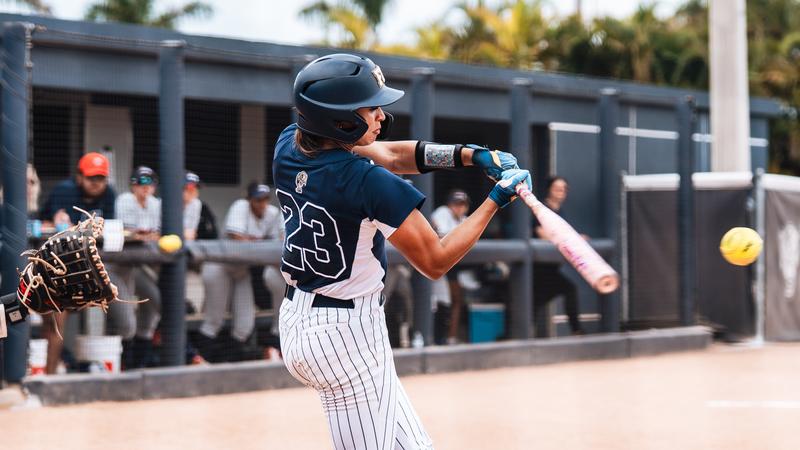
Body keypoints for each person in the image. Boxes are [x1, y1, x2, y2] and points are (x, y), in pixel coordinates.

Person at [275, 53, 529, 449]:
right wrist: (496, 199)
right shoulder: (368, 181)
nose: (381, 116)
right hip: (347, 336)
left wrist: (470, 155)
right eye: (370, 108)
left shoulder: (289, 144)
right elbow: (435, 261)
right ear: (340, 120)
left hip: (299, 318)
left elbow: (394, 155)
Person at [39, 153, 116, 374]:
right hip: (57, 265)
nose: (96, 183)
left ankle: (61, 368)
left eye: (100, 178)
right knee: (54, 323)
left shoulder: (109, 194)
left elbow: (111, 229)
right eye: (91, 177)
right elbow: (53, 224)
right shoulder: (65, 190)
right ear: (80, 176)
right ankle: (49, 376)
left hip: (92, 266)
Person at [196, 182, 285, 362]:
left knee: (244, 325)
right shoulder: (240, 206)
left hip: (241, 271)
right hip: (219, 266)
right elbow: (237, 238)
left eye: (265, 199)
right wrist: (261, 244)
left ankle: (225, 363)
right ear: (249, 199)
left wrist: (255, 243)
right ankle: (198, 360)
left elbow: (279, 243)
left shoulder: (272, 213)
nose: (262, 203)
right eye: (258, 199)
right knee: (214, 320)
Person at [109, 166, 163, 368]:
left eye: (150, 183)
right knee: (127, 324)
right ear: (133, 185)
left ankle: (139, 368)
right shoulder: (125, 200)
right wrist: (146, 235)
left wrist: (146, 235)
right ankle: (123, 369)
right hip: (115, 266)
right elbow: (130, 235)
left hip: (139, 266)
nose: (145, 187)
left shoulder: (156, 204)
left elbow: (158, 234)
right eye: (141, 183)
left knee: (155, 309)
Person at [532, 176, 584, 337]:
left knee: (568, 290)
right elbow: (541, 233)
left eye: (564, 189)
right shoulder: (541, 208)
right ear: (549, 190)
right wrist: (572, 239)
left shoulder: (560, 212)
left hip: (551, 269)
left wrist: (575, 238)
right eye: (557, 188)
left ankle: (576, 331)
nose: (561, 192)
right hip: (536, 269)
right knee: (531, 305)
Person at [430, 190, 471, 345]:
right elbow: (440, 236)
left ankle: (449, 337)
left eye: (463, 204)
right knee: (437, 302)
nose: (459, 208)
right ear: (449, 205)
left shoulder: (465, 219)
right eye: (456, 204)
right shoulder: (442, 212)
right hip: (433, 264)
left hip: (451, 265)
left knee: (453, 300)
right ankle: (434, 338)